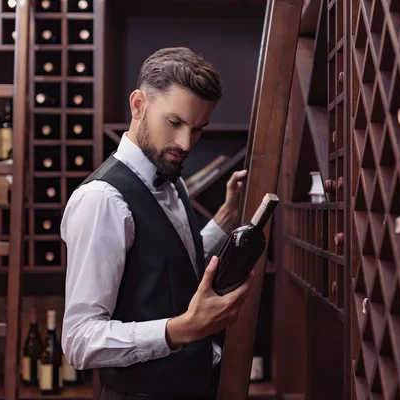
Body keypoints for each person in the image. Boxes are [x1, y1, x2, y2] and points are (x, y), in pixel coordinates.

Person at [60, 47, 254, 400]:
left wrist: (226, 217)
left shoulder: (170, 174)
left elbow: (170, 261)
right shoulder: (102, 200)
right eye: (175, 123)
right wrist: (179, 330)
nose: (185, 143)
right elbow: (79, 341)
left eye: (197, 130)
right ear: (138, 105)